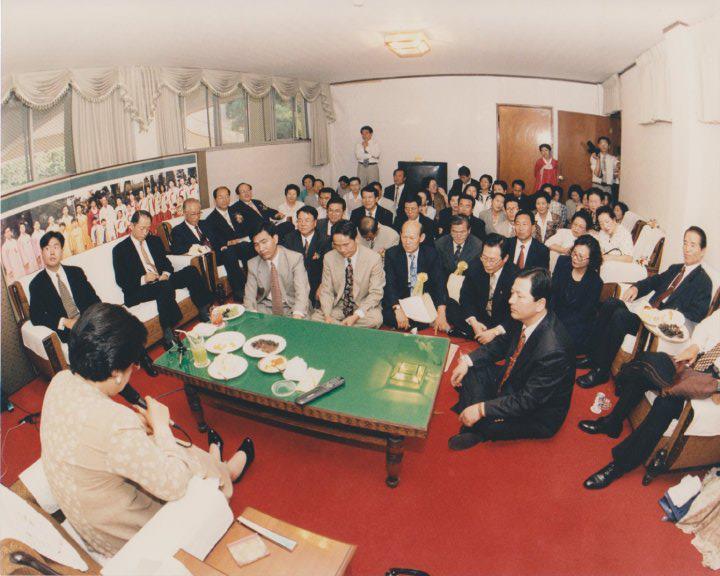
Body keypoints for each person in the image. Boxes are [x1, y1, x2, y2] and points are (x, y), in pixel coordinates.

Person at [40, 303, 254, 557]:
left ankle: (220, 467)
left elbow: (96, 433)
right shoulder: (116, 423)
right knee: (174, 449)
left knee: (166, 443)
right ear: (116, 372)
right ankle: (224, 474)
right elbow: (175, 485)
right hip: (123, 532)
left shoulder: (61, 380)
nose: (135, 369)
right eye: (134, 364)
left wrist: (142, 428)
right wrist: (161, 426)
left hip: (92, 508)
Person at [579, 307, 720, 489]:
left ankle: (620, 465)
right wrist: (695, 346)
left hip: (710, 385)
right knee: (645, 371)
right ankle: (612, 423)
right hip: (693, 363)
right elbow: (705, 327)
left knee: (665, 405)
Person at [448, 267, 575, 450]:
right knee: (471, 369)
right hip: (514, 378)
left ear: (540, 304)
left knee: (490, 422)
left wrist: (481, 409)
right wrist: (467, 361)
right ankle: (480, 416)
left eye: (519, 296)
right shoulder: (523, 316)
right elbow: (501, 345)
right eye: (512, 293)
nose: (511, 300)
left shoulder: (554, 350)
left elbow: (527, 401)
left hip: (535, 410)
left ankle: (479, 427)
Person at [577, 226, 713, 388]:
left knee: (620, 316)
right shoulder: (676, 269)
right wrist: (637, 287)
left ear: (702, 251)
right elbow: (654, 281)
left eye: (692, 245)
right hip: (647, 316)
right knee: (611, 303)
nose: (686, 249)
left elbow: (697, 315)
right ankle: (592, 355)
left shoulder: (704, 282)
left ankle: (601, 371)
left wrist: (670, 315)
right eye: (685, 243)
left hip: (659, 329)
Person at [113, 210, 213, 350]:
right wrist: (144, 278)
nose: (145, 232)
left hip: (161, 281)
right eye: (142, 228)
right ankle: (168, 332)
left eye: (148, 228)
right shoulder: (120, 250)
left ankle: (204, 311)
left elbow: (167, 264)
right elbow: (121, 280)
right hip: (138, 289)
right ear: (132, 226)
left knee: (191, 271)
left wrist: (166, 273)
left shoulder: (154, 241)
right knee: (164, 287)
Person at [29, 231, 101, 343]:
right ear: (42, 253)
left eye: (56, 247)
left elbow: (94, 299)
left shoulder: (76, 272)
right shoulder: (37, 284)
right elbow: (36, 317)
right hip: (70, 334)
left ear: (62, 251)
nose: (52, 252)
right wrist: (64, 321)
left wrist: (94, 319)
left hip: (91, 324)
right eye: (47, 248)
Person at [447, 233, 518, 343]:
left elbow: (517, 313)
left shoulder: (516, 277)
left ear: (505, 258)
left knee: (513, 331)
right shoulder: (475, 266)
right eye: (484, 257)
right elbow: (466, 298)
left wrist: (495, 331)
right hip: (480, 318)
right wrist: (474, 322)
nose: (487, 264)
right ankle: (476, 333)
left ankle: (476, 335)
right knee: (450, 305)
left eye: (492, 260)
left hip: (500, 322)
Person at [312, 220, 385, 328]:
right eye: (337, 245)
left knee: (375, 319)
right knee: (315, 318)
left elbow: (376, 293)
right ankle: (345, 327)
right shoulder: (329, 258)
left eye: (346, 245)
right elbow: (327, 290)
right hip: (339, 306)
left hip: (362, 306)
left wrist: (356, 316)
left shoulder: (373, 258)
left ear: (356, 238)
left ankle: (337, 327)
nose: (342, 250)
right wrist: (327, 316)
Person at [381, 220, 449, 332]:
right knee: (385, 314)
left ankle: (415, 323)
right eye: (404, 237)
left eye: (412, 238)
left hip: (424, 300)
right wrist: (398, 309)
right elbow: (389, 284)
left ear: (421, 238)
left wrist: (441, 313)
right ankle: (424, 322)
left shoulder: (431, 254)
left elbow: (439, 283)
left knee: (450, 307)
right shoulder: (392, 254)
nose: (407, 242)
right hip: (402, 301)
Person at [244, 223, 310, 318]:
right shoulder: (252, 264)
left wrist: (297, 315)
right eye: (256, 245)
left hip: (292, 305)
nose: (261, 249)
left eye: (264, 242)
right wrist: (252, 315)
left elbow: (302, 291)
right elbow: (249, 296)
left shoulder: (295, 258)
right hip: (266, 307)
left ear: (275, 239)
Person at [551, 235, 603, 354]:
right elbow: (552, 293)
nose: (575, 258)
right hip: (554, 315)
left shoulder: (595, 282)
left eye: (580, 257)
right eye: (574, 253)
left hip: (575, 325)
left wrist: (558, 326)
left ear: (591, 260)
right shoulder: (562, 262)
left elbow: (583, 314)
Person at [203, 187, 254, 300]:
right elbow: (214, 240)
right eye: (221, 197)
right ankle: (240, 291)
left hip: (242, 245)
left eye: (227, 196)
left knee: (249, 246)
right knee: (229, 252)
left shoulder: (236, 211)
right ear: (215, 200)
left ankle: (256, 284)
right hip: (225, 249)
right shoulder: (210, 220)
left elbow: (248, 228)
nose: (225, 200)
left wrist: (244, 239)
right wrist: (229, 242)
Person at [281, 205, 330, 308]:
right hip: (295, 285)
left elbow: (328, 269)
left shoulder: (324, 240)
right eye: (300, 220)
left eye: (307, 220)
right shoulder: (289, 238)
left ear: (315, 223)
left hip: (317, 285)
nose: (302, 224)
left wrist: (322, 286)